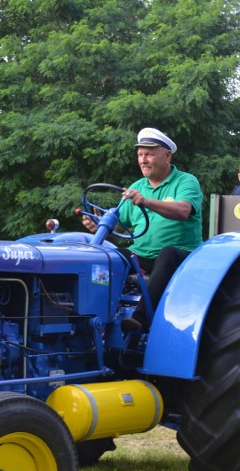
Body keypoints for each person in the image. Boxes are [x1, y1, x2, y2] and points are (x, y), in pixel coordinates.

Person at [82, 127, 202, 330]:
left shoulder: (186, 181)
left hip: (182, 258)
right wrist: (98, 224)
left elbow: (182, 210)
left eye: (149, 154)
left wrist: (146, 201)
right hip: (142, 257)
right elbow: (120, 223)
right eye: (140, 154)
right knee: (110, 257)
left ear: (167, 156)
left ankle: (140, 320)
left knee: (168, 252)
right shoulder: (137, 186)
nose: (143, 160)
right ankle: (95, 317)